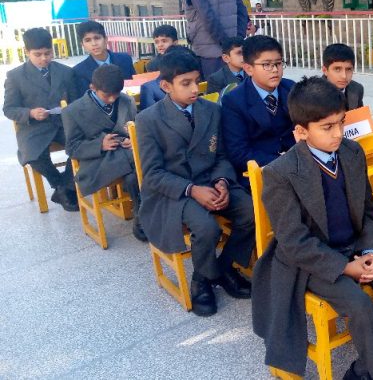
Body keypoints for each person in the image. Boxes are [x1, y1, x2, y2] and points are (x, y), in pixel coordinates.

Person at [252, 76, 373, 380]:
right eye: (327, 127)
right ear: (301, 131)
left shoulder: (352, 153)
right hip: (311, 260)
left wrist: (372, 252)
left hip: (355, 246)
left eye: (341, 122)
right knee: (360, 304)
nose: (338, 133)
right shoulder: (280, 173)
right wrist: (345, 268)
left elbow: (369, 211)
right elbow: (293, 241)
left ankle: (363, 370)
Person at [136, 50, 255, 316]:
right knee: (206, 228)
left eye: (196, 81)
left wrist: (222, 181)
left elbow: (221, 155)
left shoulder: (211, 110)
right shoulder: (149, 119)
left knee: (250, 211)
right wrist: (192, 190)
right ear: (166, 86)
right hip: (175, 190)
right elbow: (153, 174)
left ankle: (224, 268)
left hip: (210, 180)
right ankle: (202, 280)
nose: (194, 89)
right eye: (185, 83)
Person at [62, 65, 145, 241]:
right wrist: (100, 144)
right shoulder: (73, 111)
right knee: (142, 165)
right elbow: (72, 148)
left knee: (133, 175)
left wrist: (132, 138)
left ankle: (141, 214)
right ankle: (143, 214)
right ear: (92, 87)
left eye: (116, 94)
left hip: (126, 153)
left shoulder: (126, 100)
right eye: (107, 95)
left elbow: (135, 126)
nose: (112, 99)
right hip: (99, 161)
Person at [4, 28, 81, 211]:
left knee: (82, 145)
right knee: (34, 156)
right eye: (37, 55)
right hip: (34, 127)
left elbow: (76, 101)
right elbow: (9, 109)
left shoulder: (65, 72)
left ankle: (66, 187)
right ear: (26, 52)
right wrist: (30, 113)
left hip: (63, 123)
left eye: (48, 53)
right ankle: (61, 186)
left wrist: (67, 109)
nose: (44, 58)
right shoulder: (15, 76)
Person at [220, 35, 295, 185]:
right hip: (260, 172)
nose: (275, 70)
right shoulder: (234, 101)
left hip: (297, 163)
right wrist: (282, 162)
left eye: (278, 63)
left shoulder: (291, 88)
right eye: (266, 65)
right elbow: (238, 152)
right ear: (249, 69)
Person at [73, 21, 136, 94]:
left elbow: (134, 85)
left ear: (106, 39)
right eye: (88, 40)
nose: (94, 44)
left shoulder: (125, 59)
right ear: (83, 45)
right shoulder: (79, 71)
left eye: (97, 38)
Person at [139, 46, 198, 111]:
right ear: (166, 86)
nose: (196, 90)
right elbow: (149, 114)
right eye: (186, 83)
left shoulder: (205, 107)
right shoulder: (150, 88)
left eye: (197, 82)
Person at [322, 43, 364, 110]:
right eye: (337, 69)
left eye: (348, 69)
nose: (344, 76)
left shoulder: (357, 89)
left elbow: (360, 115)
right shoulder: (313, 94)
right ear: (325, 70)